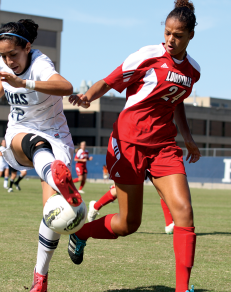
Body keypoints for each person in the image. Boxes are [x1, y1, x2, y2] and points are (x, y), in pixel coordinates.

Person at [68, 1, 200, 291]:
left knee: (185, 214)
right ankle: (81, 234)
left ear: (191, 35)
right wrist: (88, 96)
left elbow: (175, 103)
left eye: (178, 35)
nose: (170, 40)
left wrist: (187, 137)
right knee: (129, 224)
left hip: (164, 147)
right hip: (128, 144)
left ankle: (183, 288)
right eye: (167, 33)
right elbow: (109, 80)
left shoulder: (193, 71)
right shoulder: (147, 55)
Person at [0, 19, 83, 292]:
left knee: (52, 214)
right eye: (3, 55)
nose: (8, 61)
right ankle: (55, 174)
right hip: (20, 133)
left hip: (55, 136)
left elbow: (67, 87)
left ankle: (40, 278)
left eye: (13, 54)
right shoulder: (7, 64)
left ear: (28, 47)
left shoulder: (40, 64)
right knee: (33, 144)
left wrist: (26, 82)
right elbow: (3, 81)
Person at [88, 181, 175, 234]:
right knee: (121, 190)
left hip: (151, 154)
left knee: (163, 187)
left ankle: (169, 223)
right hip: (132, 155)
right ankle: (95, 207)